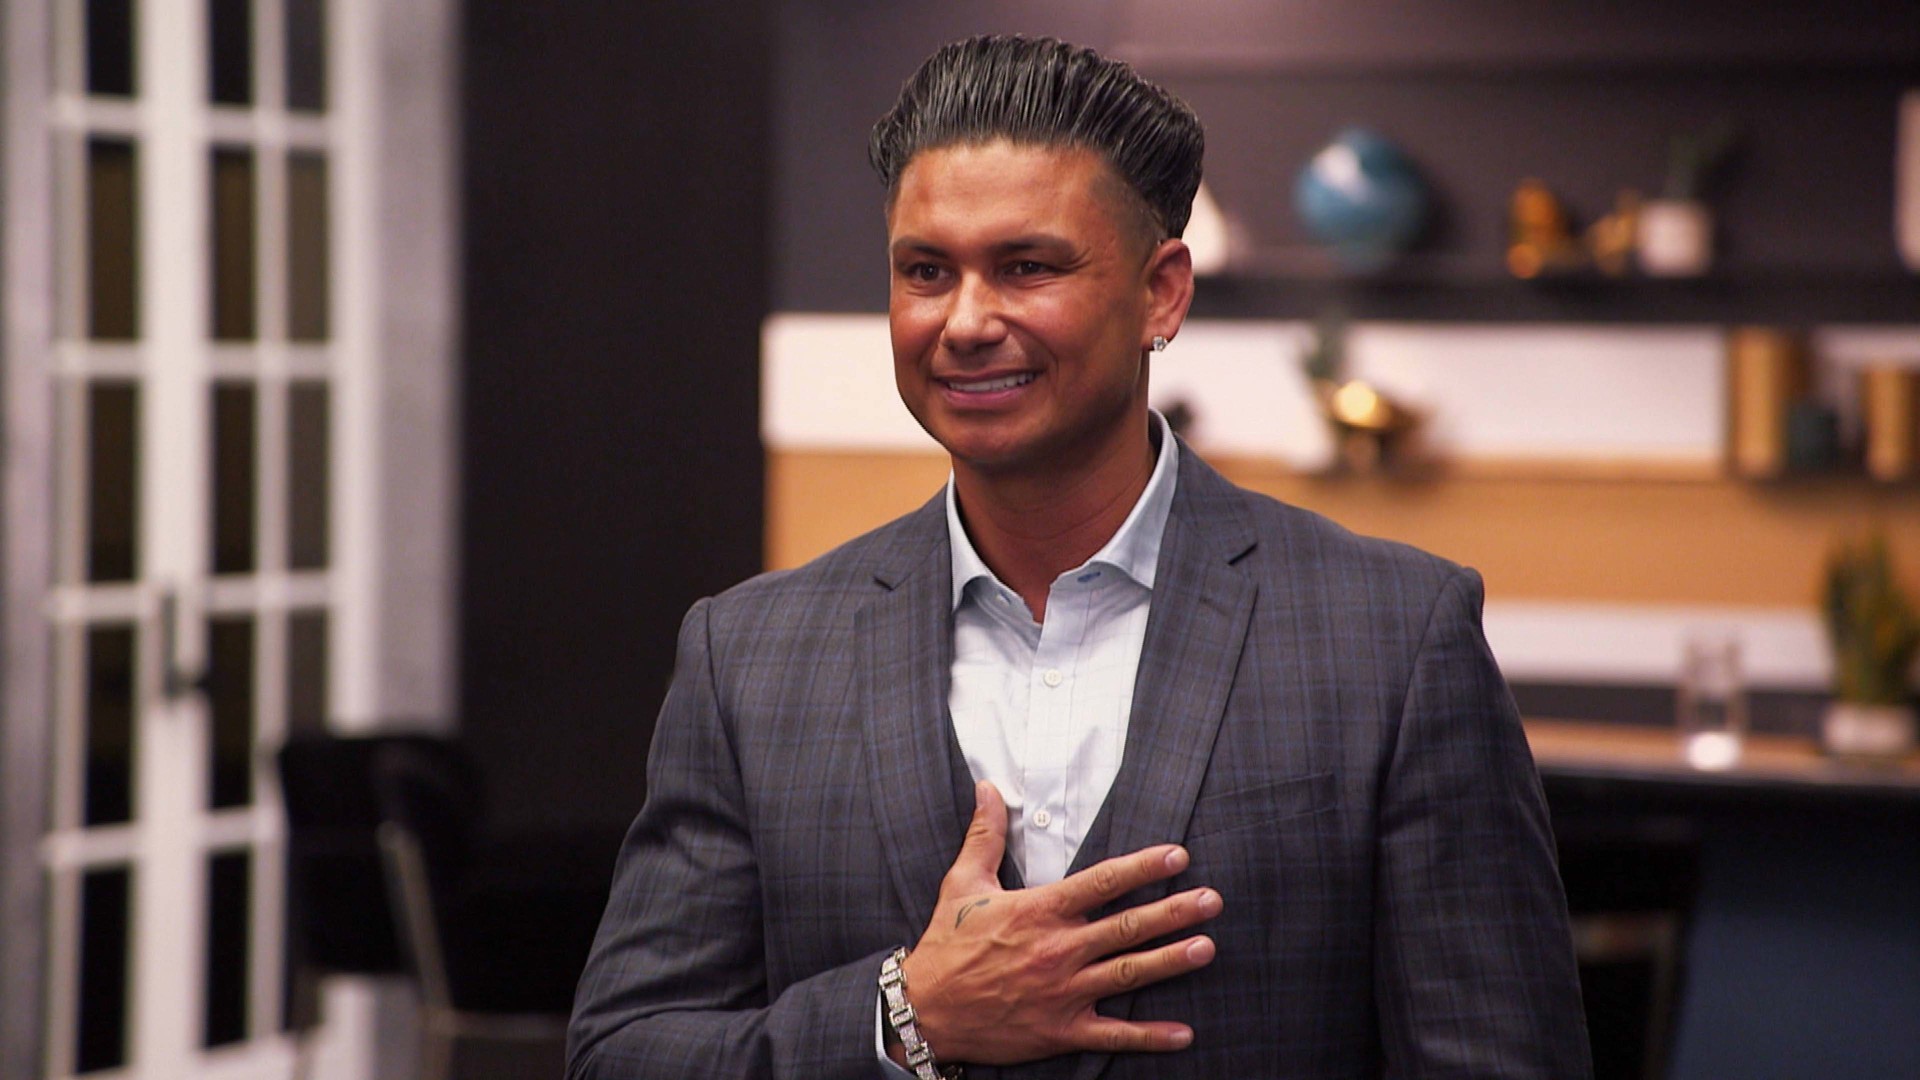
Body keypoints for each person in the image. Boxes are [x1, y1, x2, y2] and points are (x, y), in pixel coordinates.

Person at [567, 34, 1589, 1080]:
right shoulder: (750, 657)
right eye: (926, 272)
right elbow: (623, 1055)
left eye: (1027, 267)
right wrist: (905, 1020)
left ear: (1162, 293)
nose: (966, 321)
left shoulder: (1393, 637)